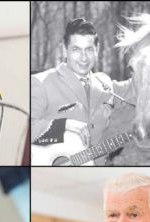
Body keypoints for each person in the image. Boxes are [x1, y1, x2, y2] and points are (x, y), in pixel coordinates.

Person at [31, 18, 135, 165]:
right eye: (76, 49)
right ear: (64, 50)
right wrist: (64, 124)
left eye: (89, 49)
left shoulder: (104, 83)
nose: (84, 57)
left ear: (97, 50)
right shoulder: (40, 82)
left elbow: (137, 87)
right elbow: (27, 129)